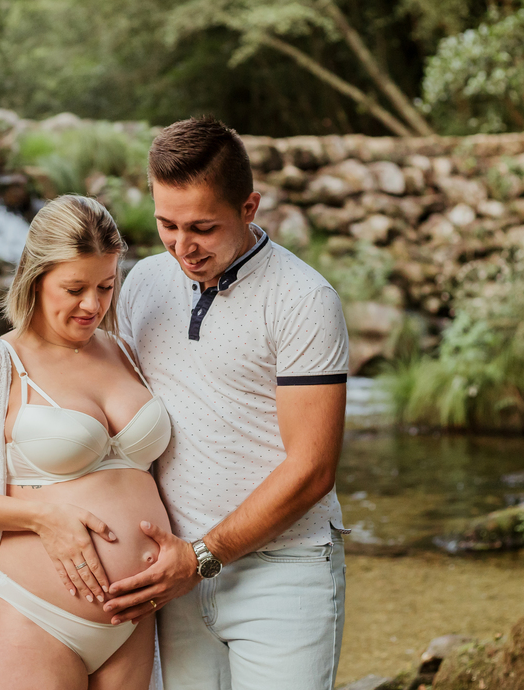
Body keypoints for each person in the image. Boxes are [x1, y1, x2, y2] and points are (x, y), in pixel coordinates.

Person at [102, 116, 351, 690]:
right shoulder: (142, 282)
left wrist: (201, 558)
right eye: (167, 224)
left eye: (202, 228)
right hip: (168, 571)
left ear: (249, 207)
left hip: (283, 572)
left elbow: (312, 468)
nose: (182, 247)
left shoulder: (304, 299)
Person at [0, 194, 171, 690]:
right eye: (74, 288)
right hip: (37, 618)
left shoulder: (125, 353)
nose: (92, 305)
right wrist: (43, 517)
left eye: (105, 286)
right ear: (36, 277)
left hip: (134, 620)